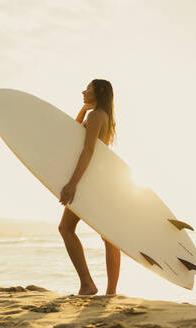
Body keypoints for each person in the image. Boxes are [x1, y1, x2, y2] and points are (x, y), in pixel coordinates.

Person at [58, 79, 120, 296]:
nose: (83, 91)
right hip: (103, 181)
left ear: (99, 92)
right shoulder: (105, 117)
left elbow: (87, 151)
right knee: (109, 236)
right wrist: (82, 111)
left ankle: (87, 284)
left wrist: (72, 183)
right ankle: (110, 291)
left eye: (88, 88)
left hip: (88, 180)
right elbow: (74, 134)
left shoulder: (95, 116)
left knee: (65, 228)